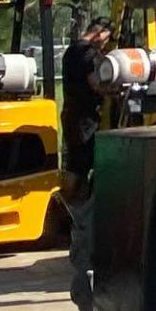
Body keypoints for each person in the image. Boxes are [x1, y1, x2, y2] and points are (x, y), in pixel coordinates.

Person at [59, 17, 113, 206]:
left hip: (71, 114)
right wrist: (113, 90)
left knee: (75, 161)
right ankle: (66, 205)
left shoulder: (71, 50)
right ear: (99, 33)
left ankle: (75, 202)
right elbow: (95, 84)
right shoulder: (87, 53)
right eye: (106, 39)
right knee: (79, 164)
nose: (105, 45)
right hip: (84, 120)